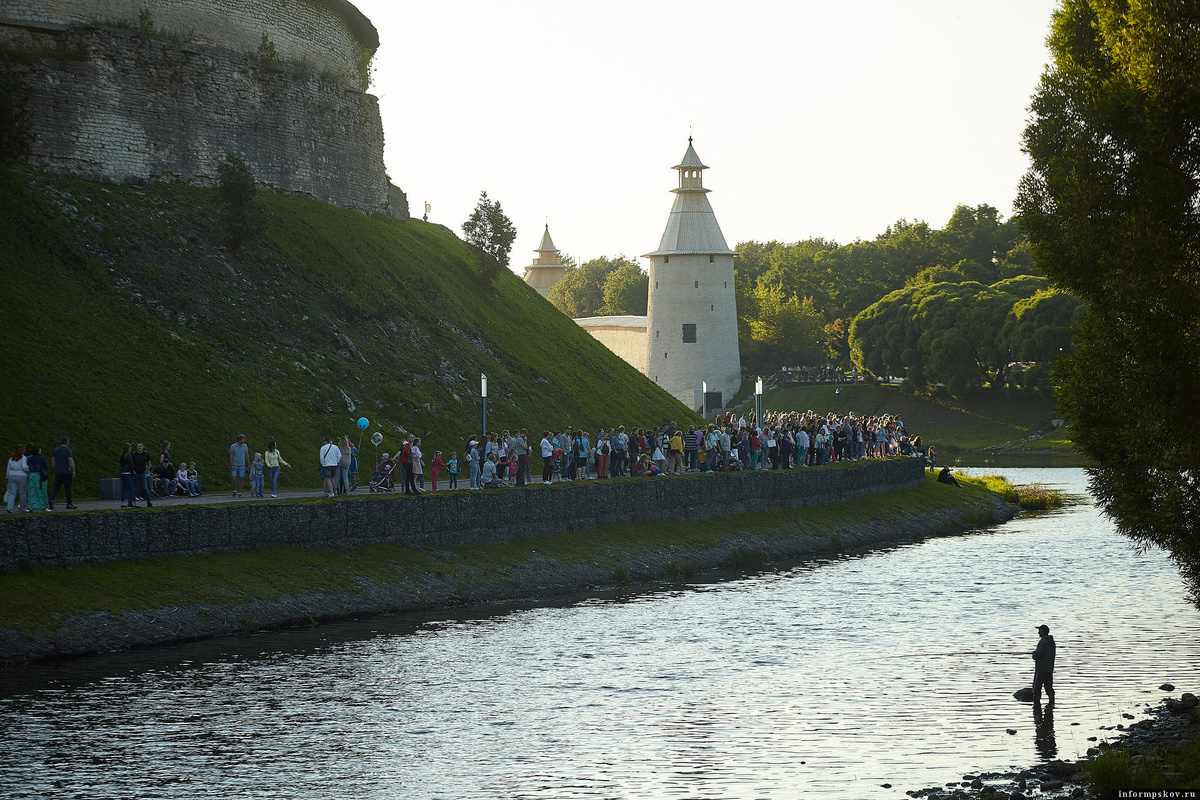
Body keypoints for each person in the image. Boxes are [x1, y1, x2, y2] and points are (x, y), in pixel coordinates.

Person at [49, 436, 76, 510]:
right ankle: (69, 504)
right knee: (68, 488)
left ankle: (51, 499)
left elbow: (53, 460)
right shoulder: (68, 450)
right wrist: (73, 470)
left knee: (56, 488)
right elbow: (70, 460)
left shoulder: (56, 450)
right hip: (66, 471)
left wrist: (56, 468)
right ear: (67, 442)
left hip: (58, 472)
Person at [1032, 624, 1056, 705]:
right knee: (1049, 688)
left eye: (1039, 630)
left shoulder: (1043, 642)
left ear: (1043, 631)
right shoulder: (1051, 642)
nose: (1038, 632)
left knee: (1036, 689)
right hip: (1049, 669)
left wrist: (1034, 654)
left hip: (1041, 670)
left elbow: (1037, 655)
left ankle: (1036, 706)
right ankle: (1052, 703)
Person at [5, 444, 29, 513]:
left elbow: (8, 468)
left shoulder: (12, 458)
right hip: (21, 476)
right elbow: (24, 467)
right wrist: (28, 469)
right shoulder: (23, 458)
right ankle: (22, 508)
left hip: (11, 475)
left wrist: (7, 476)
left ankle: (9, 507)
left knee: (12, 492)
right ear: (22, 451)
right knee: (22, 493)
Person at [25, 443, 49, 511]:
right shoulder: (42, 458)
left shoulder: (30, 459)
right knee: (41, 490)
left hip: (32, 475)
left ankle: (32, 505)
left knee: (32, 491)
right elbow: (46, 466)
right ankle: (43, 506)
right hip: (39, 475)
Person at [131, 442, 153, 506]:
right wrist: (133, 471)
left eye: (140, 446)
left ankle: (148, 501)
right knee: (133, 487)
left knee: (145, 487)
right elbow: (131, 464)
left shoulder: (146, 454)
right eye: (138, 446)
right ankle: (133, 502)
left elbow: (149, 463)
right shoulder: (134, 454)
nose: (139, 448)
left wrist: (147, 470)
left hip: (142, 473)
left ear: (143, 447)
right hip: (136, 473)